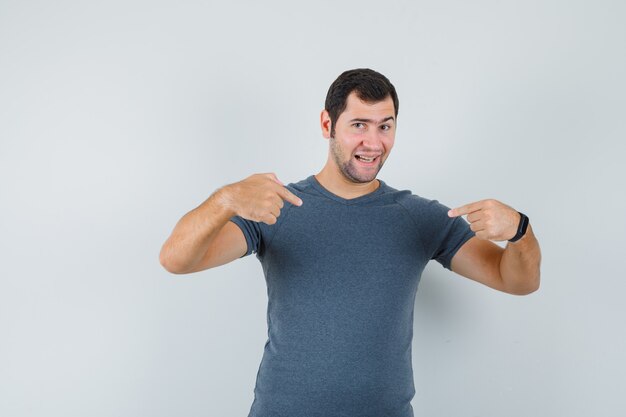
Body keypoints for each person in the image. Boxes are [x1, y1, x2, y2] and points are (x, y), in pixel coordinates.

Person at [159, 68, 542, 417]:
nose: (373, 143)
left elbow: (517, 281)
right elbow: (176, 259)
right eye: (359, 124)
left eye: (385, 126)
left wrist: (520, 230)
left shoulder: (418, 217)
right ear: (328, 123)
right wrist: (224, 199)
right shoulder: (277, 206)